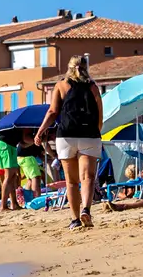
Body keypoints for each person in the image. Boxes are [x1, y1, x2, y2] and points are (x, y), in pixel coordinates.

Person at [33, 55, 105, 230]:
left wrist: (40, 131)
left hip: (66, 136)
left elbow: (52, 111)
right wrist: (96, 133)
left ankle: (74, 219)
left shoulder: (61, 85)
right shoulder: (93, 87)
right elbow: (100, 115)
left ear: (69, 67)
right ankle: (86, 209)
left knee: (71, 181)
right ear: (86, 67)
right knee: (87, 177)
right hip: (89, 134)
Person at [0, 138, 18, 210]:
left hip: (6, 145)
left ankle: (13, 204)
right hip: (6, 144)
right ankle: (3, 206)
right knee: (9, 177)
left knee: (11, 177)